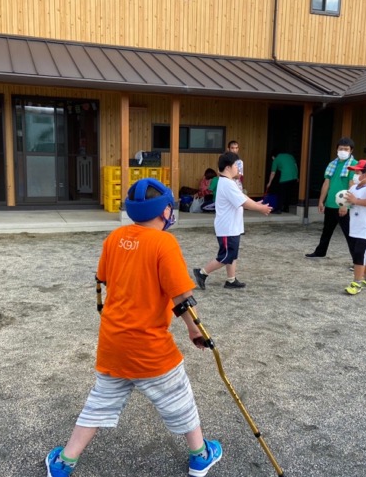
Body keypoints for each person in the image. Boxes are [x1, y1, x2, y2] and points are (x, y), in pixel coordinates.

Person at [45, 178, 222, 477]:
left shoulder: (114, 237)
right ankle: (200, 455)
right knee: (179, 398)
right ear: (165, 211)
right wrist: (195, 330)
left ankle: (64, 462)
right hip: (149, 348)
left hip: (114, 342)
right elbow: (182, 297)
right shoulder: (164, 242)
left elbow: (103, 277)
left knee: (99, 403)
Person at [192, 152, 272, 290]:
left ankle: (231, 280)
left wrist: (258, 205)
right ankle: (202, 273)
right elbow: (244, 202)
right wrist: (260, 209)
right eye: (236, 165)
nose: (238, 168)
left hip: (231, 227)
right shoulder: (227, 184)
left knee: (232, 254)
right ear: (228, 167)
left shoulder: (228, 182)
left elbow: (243, 197)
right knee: (227, 256)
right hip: (227, 227)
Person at [305, 137, 359, 258]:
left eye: (346, 149)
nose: (343, 151)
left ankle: (357, 261)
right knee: (326, 231)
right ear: (336, 149)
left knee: (350, 234)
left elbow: (352, 185)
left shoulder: (354, 165)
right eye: (341, 148)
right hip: (330, 203)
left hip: (344, 206)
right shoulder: (332, 164)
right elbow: (326, 183)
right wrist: (321, 201)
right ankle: (320, 252)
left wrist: (346, 205)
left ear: (351, 150)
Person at [341, 160, 366, 295]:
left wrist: (356, 201)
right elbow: (348, 200)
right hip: (356, 229)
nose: (355, 175)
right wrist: (344, 206)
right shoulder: (353, 188)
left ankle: (356, 283)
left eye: (357, 172)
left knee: (359, 255)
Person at [265, 149, 298, 214]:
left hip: (285, 177)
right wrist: (297, 176)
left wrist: (269, 183)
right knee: (288, 193)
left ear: (273, 157)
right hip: (294, 177)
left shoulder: (276, 159)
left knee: (281, 193)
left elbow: (273, 173)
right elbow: (295, 166)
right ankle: (286, 208)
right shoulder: (290, 156)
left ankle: (278, 209)